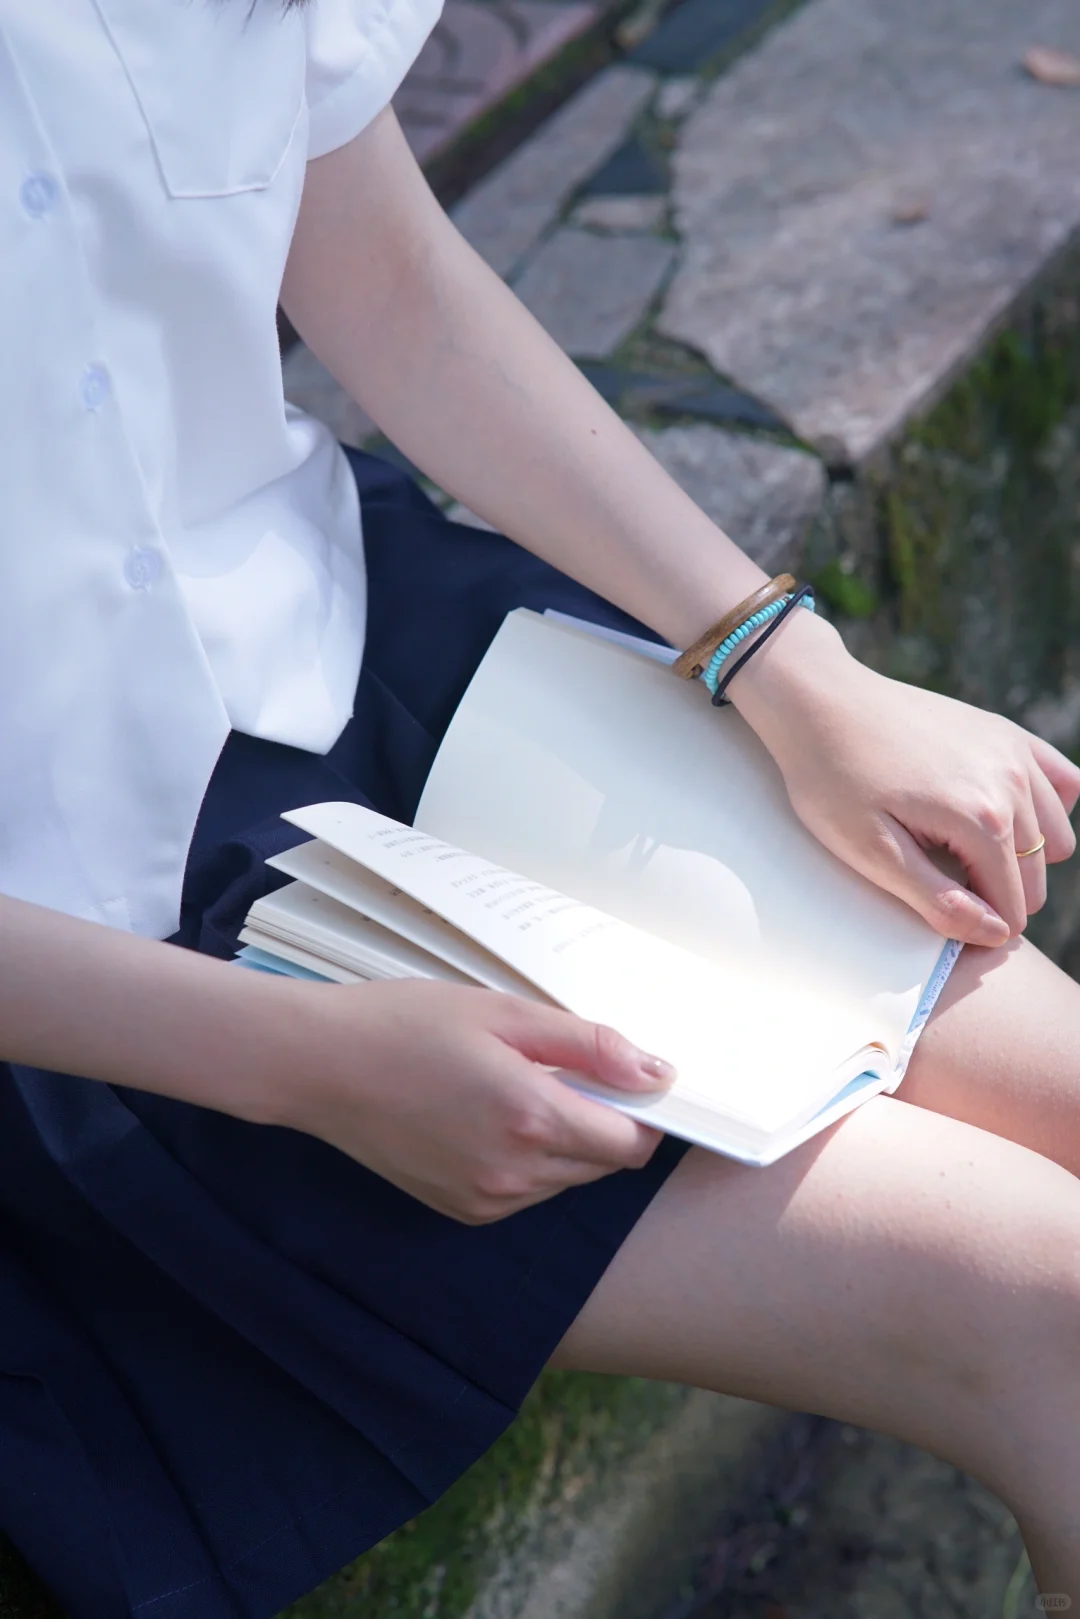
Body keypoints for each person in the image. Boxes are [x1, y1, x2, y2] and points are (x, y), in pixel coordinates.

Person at [1, 2, 1078, 1614]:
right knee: (1050, 1309)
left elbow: (392, 282)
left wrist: (788, 667)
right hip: (94, 980)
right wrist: (296, 1065)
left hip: (328, 652)